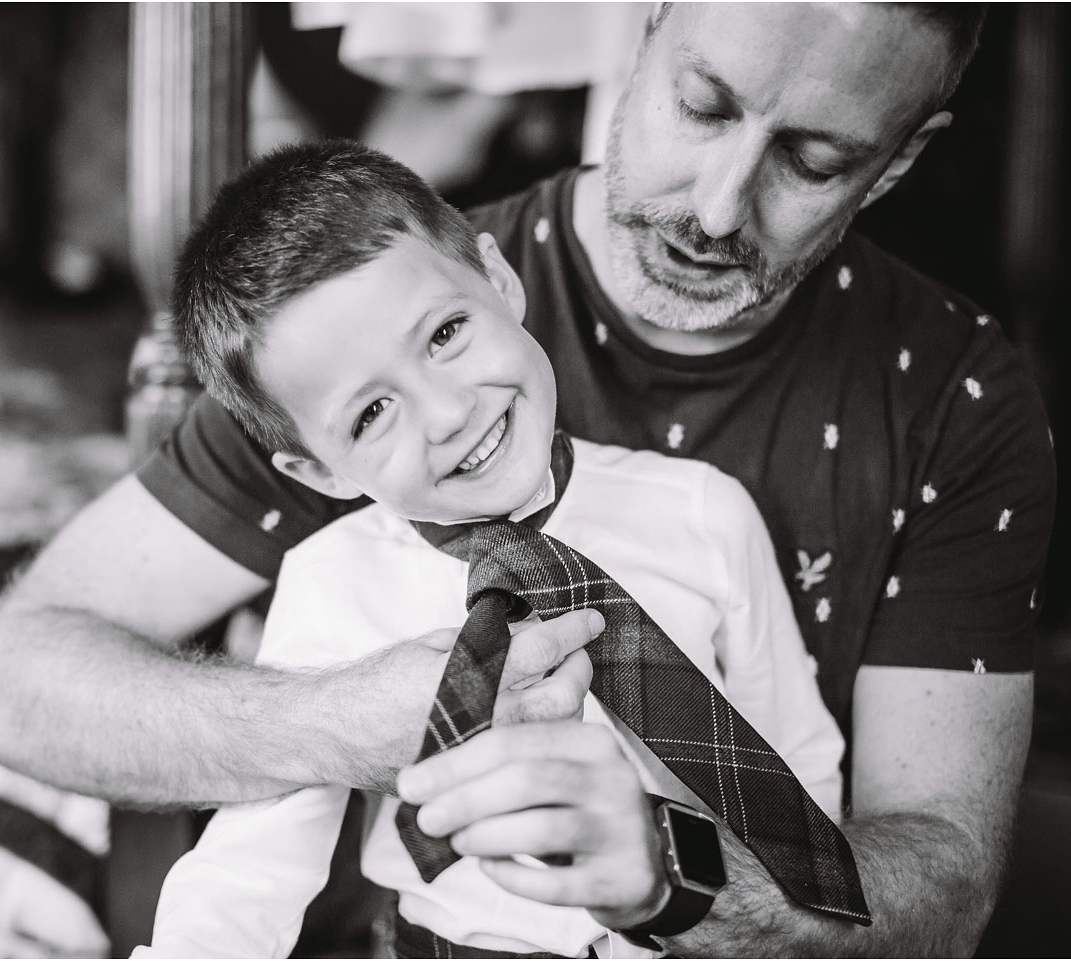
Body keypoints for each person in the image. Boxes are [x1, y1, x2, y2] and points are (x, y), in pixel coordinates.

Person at [0, 4, 1056, 955]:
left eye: (814, 162)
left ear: (899, 161)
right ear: (645, 28)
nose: (719, 209)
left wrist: (689, 879)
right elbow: (17, 692)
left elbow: (898, 858)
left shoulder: (922, 412)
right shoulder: (341, 317)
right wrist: (338, 723)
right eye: (704, 106)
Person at [134, 140, 846, 958]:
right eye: (370, 414)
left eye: (444, 334)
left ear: (500, 280)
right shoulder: (330, 586)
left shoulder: (703, 514)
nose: (445, 412)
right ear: (318, 470)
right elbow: (249, 871)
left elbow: (802, 776)